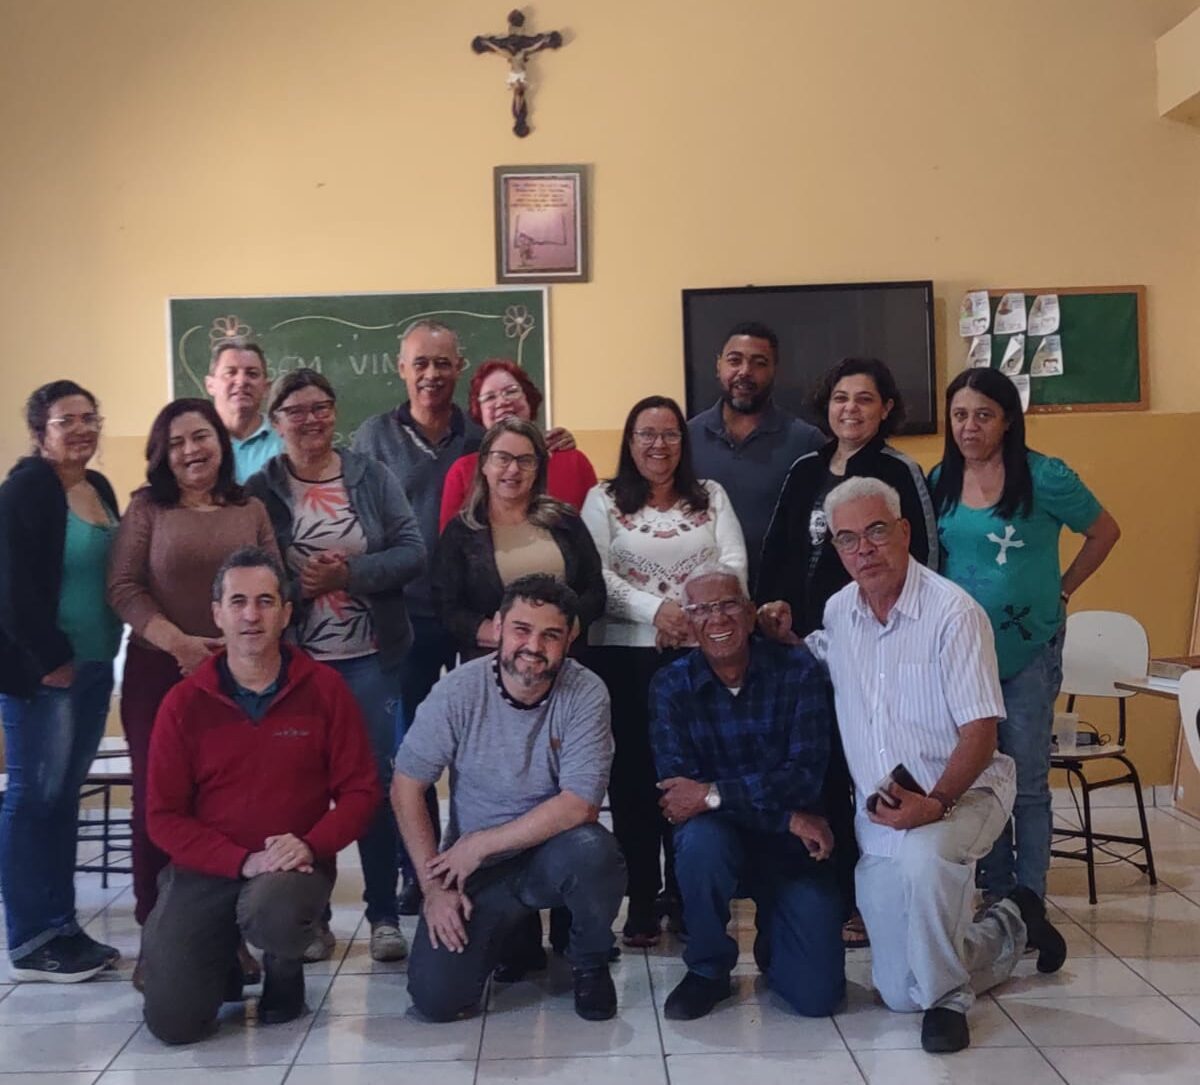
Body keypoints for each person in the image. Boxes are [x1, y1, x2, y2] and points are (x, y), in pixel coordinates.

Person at [759, 477, 1066, 1054]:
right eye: (848, 540)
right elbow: (829, 660)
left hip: (967, 793)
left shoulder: (954, 614)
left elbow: (981, 732)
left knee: (927, 862)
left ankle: (948, 1002)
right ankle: (1015, 922)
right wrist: (789, 640)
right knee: (897, 990)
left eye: (876, 531)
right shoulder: (839, 611)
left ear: (904, 532)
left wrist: (936, 803)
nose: (864, 549)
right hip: (885, 810)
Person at [141, 548, 379, 1045]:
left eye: (266, 602)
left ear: (287, 613)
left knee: (271, 907)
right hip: (205, 869)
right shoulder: (183, 703)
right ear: (217, 614)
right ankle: (221, 958)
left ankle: (285, 968)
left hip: (293, 867)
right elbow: (163, 817)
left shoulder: (326, 690)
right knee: (174, 1023)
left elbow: (360, 791)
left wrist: (311, 845)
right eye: (239, 601)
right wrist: (237, 861)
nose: (252, 615)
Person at [244, 368, 427, 963]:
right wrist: (302, 584)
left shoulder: (371, 476)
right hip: (294, 663)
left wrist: (349, 575)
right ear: (275, 423)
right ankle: (311, 918)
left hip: (371, 658)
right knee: (299, 794)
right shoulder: (260, 489)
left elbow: (411, 551)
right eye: (295, 411)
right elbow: (254, 573)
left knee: (368, 786)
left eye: (321, 407)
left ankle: (381, 917)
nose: (311, 419)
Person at [757, 356, 937, 949]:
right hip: (801, 649)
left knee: (871, 766)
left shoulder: (899, 470)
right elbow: (779, 548)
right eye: (840, 398)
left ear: (886, 408)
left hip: (874, 647)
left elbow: (925, 556)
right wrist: (773, 608)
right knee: (820, 769)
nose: (850, 410)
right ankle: (829, 890)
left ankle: (876, 896)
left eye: (864, 399)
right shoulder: (805, 469)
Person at [392, 575, 625, 1023]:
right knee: (436, 1000)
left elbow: (580, 805)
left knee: (594, 851)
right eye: (522, 629)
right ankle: (511, 932)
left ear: (570, 638)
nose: (533, 645)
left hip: (551, 854)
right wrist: (433, 887)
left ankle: (589, 962)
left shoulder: (587, 692)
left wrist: (478, 844)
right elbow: (406, 785)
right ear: (497, 627)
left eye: (550, 634)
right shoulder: (457, 692)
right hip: (475, 869)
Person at [931, 368, 1120, 904]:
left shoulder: (1047, 477)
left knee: (1028, 779)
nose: (970, 427)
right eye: (961, 415)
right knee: (980, 774)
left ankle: (1029, 900)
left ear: (1008, 420)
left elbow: (1104, 531)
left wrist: (1063, 591)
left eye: (984, 415)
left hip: (1029, 649)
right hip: (963, 656)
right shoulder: (937, 480)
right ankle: (995, 893)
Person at [108, 398, 279, 980]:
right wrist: (180, 644)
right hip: (159, 672)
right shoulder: (146, 509)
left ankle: (226, 935)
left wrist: (240, 649)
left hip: (241, 674)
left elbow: (274, 585)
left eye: (201, 437)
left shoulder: (250, 507)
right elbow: (125, 588)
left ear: (220, 443)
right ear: (163, 453)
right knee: (159, 804)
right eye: (177, 441)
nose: (191, 450)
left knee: (228, 803)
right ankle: (157, 936)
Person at [581, 395, 747, 945]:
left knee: (692, 771)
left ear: (684, 441)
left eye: (670, 434)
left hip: (698, 657)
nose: (659, 445)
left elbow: (734, 567)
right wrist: (659, 611)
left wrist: (694, 622)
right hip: (623, 655)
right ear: (630, 442)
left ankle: (684, 893)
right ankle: (642, 899)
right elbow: (594, 577)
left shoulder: (712, 497)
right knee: (631, 781)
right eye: (646, 434)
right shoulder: (602, 499)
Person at [649, 564, 844, 1021]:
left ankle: (776, 938)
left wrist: (714, 795)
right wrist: (783, 815)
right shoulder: (671, 685)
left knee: (816, 1000)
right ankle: (708, 968)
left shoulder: (798, 669)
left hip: (794, 848)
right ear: (689, 624)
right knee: (699, 842)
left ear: (752, 612)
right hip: (735, 838)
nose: (717, 619)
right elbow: (678, 798)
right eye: (701, 610)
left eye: (728, 605)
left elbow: (804, 779)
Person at [352, 319, 483, 913]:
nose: (432, 375)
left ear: (460, 367)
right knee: (413, 750)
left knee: (482, 744)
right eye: (420, 364)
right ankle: (418, 866)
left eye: (442, 363)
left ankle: (475, 858)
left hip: (476, 614)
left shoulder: (482, 439)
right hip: (402, 619)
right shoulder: (371, 439)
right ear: (401, 369)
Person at [0, 382, 123, 982]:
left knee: (62, 799)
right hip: (46, 673)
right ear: (39, 430)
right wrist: (48, 657)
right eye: (65, 419)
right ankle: (29, 938)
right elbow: (11, 588)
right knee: (32, 799)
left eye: (89, 417)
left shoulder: (96, 488)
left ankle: (62, 925)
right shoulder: (26, 489)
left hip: (95, 666)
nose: (81, 428)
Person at [433, 417, 605, 660]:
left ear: (538, 468)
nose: (513, 469)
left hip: (565, 662)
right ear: (484, 464)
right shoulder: (461, 531)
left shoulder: (565, 520)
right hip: (490, 663)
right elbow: (446, 607)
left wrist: (569, 627)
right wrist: (499, 636)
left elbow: (595, 589)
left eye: (525, 460)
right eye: (502, 458)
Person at [687, 322, 823, 589]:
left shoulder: (806, 441)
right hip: (704, 603)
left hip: (781, 600)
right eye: (734, 360)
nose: (744, 372)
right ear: (719, 365)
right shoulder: (686, 438)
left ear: (775, 370)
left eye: (759, 363)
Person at [439, 358, 596, 529]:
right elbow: (450, 548)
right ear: (479, 411)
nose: (502, 402)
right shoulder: (462, 471)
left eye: (511, 391)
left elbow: (593, 539)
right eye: (489, 397)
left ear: (528, 398)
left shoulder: (574, 463)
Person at [204, 338, 283, 482]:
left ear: (266, 387)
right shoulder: (193, 445)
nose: (241, 381)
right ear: (210, 385)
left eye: (252, 374)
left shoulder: (287, 440)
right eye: (230, 373)